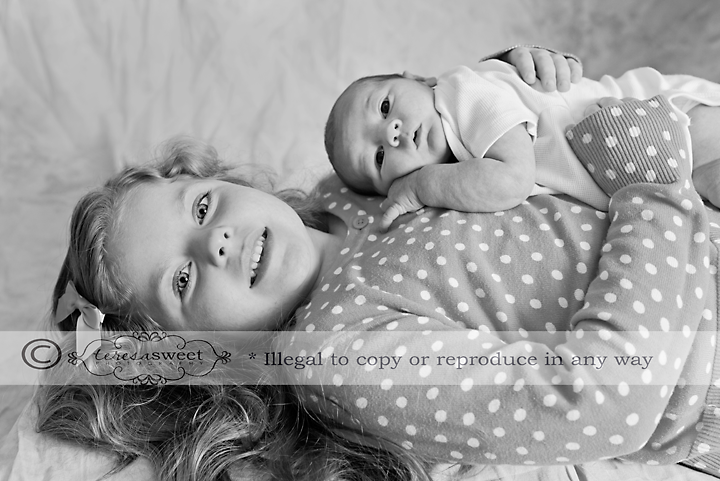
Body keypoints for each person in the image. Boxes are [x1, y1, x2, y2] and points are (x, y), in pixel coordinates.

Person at [35, 48, 588, 481]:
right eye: (181, 280)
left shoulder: (347, 185)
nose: (217, 243)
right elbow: (577, 399)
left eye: (202, 208)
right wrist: (639, 205)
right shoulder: (337, 354)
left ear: (226, 181)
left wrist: (509, 76)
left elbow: (443, 116)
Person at [323, 57, 720, 230]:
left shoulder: (459, 95)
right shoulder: (461, 162)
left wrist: (420, 186)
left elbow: (511, 181)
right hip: (658, 162)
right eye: (378, 157)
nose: (391, 133)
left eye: (385, 106)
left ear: (420, 79)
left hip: (677, 119)